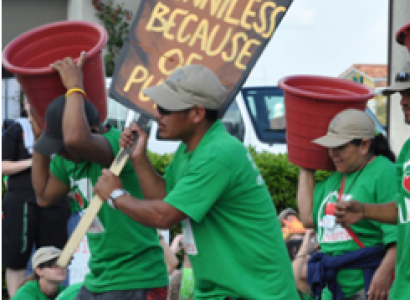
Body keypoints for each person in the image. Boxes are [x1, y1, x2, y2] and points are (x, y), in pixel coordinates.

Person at [94, 64, 300, 299]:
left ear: (197, 114)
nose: (157, 114)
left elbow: (163, 216)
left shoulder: (218, 153)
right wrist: (139, 158)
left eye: (165, 108)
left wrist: (117, 196)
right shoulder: (191, 149)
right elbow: (164, 198)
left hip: (256, 293)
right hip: (223, 291)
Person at [30, 52, 168, 300]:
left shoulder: (116, 146)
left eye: (62, 147)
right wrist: (40, 140)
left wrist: (75, 87)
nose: (61, 154)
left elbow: (76, 139)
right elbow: (42, 196)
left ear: (92, 130)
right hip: (99, 279)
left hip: (136, 278)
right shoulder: (67, 160)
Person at [297, 108, 398, 300]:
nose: (333, 154)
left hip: (367, 287)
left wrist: (383, 274)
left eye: (340, 147)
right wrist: (305, 165)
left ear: (364, 145)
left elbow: (400, 231)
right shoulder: (334, 179)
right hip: (332, 289)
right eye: (330, 147)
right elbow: (308, 218)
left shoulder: (384, 171)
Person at [334, 61, 410, 300]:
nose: (402, 101)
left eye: (409, 93)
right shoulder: (407, 150)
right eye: (401, 94)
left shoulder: (383, 169)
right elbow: (404, 210)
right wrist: (364, 211)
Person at [2, 98, 70, 298]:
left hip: (56, 202)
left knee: (55, 259)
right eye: (32, 99)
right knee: (16, 258)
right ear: (25, 104)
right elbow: (2, 165)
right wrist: (34, 161)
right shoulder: (16, 129)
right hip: (22, 201)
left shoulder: (65, 130)